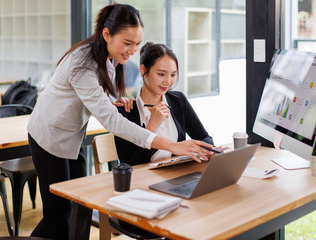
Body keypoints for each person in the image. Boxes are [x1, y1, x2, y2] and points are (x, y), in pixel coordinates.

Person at [26, 4, 212, 239]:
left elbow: (94, 94)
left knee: (80, 206)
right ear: (107, 34)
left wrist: (112, 100)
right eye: (128, 43)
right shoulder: (82, 64)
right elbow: (112, 123)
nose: (133, 50)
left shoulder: (108, 57)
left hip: (72, 135)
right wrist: (172, 145)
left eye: (137, 44)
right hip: (48, 136)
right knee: (58, 215)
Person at [115, 42, 214, 166]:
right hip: (144, 182)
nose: (168, 82)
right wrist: (151, 127)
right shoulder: (126, 111)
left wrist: (209, 150)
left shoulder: (178, 100)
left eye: (173, 75)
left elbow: (204, 137)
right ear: (143, 70)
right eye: (161, 74)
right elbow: (130, 165)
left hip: (179, 175)